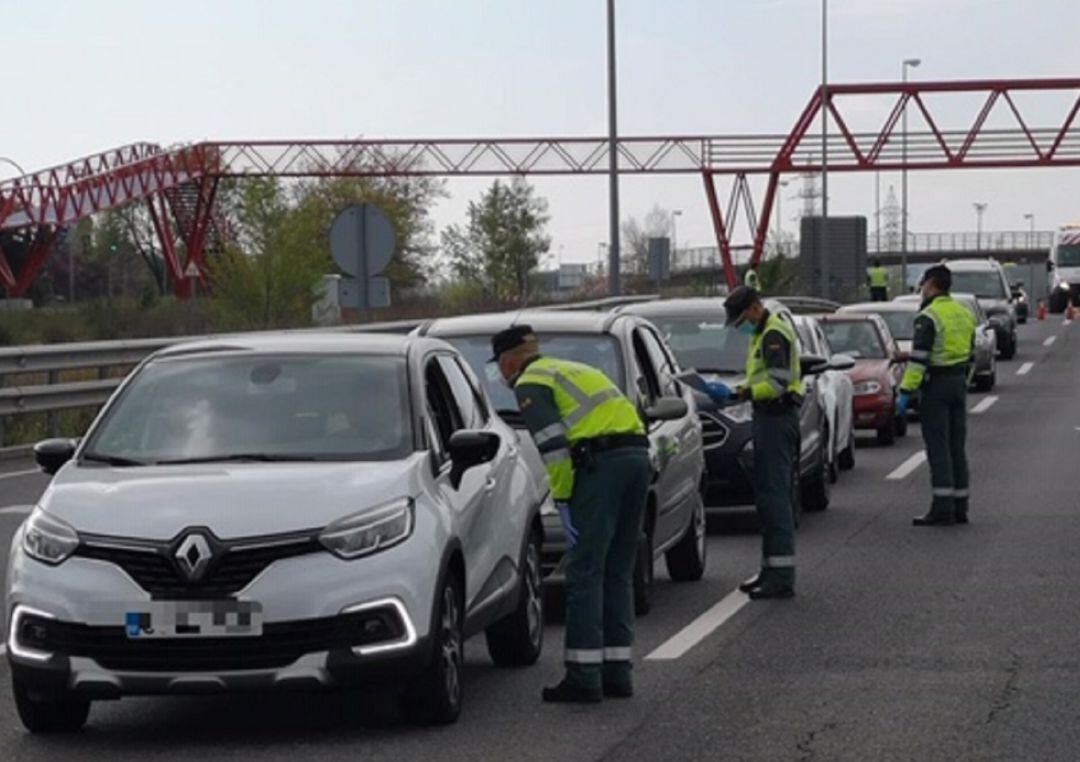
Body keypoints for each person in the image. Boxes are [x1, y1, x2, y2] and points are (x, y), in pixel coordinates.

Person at [491, 325, 651, 703]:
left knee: (584, 570)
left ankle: (583, 676)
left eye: (499, 363)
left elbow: (555, 450)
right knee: (617, 569)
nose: (500, 372)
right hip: (636, 460)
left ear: (509, 359)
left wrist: (562, 499)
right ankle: (617, 673)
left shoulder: (531, 383)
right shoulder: (575, 370)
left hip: (600, 469)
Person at [716, 286, 801, 600]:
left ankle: (781, 575)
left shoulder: (773, 334)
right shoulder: (762, 332)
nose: (740, 326)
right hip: (767, 417)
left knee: (775, 497)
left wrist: (743, 394)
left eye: (741, 320)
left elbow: (777, 383)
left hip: (777, 417)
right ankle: (770, 569)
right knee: (766, 497)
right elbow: (760, 377)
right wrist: (737, 389)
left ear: (754, 308)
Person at [898, 264, 976, 526]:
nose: (921, 289)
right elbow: (972, 354)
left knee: (938, 447)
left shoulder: (929, 316)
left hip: (937, 386)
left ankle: (942, 508)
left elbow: (919, 359)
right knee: (957, 446)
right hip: (958, 383)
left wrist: (906, 391)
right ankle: (960, 506)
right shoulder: (963, 313)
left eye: (923, 284)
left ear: (931, 283)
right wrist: (964, 381)